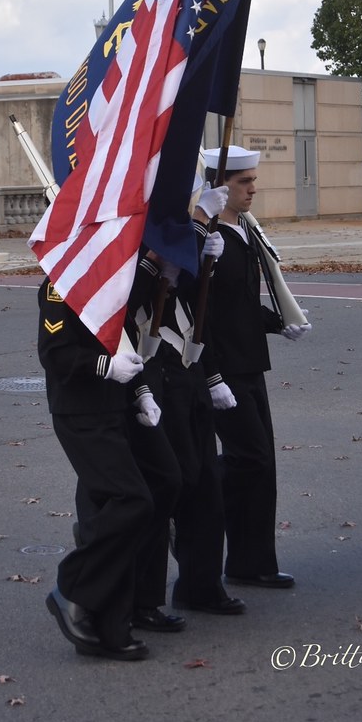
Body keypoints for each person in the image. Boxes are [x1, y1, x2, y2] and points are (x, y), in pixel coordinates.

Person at [132, 181, 246, 616]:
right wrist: (197, 228)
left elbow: (195, 311)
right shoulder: (133, 230)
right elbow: (131, 300)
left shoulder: (172, 226)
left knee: (205, 486)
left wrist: (212, 375)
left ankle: (201, 583)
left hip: (187, 370)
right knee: (165, 486)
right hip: (150, 374)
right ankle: (145, 599)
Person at [201, 145, 311, 589]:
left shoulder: (245, 229)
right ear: (219, 184)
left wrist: (278, 321)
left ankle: (251, 562)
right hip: (219, 369)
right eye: (244, 181)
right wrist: (210, 376)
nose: (253, 189)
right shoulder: (205, 236)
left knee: (262, 467)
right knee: (249, 459)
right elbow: (199, 314)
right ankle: (188, 503)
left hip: (248, 362)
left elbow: (242, 304)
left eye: (253, 180)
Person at [38, 276, 155, 661]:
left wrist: (140, 391)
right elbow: (55, 352)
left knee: (107, 513)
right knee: (132, 501)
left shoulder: (107, 273)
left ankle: (109, 625)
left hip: (111, 406)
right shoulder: (62, 281)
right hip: (80, 410)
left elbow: (123, 336)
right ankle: (72, 588)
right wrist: (104, 366)